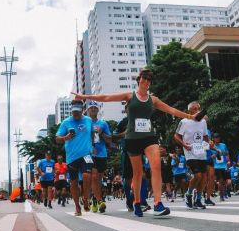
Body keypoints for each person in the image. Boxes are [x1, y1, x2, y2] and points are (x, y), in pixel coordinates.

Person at [72, 69, 199, 217]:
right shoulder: (130, 95)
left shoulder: (154, 99)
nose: (145, 83)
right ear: (138, 80)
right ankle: (137, 202)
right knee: (137, 173)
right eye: (143, 80)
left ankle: (158, 203)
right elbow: (106, 97)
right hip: (132, 138)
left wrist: (190, 117)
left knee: (156, 166)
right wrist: (84, 96)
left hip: (149, 137)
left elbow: (171, 110)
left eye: (148, 81)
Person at [56, 100, 95, 216]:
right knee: (74, 182)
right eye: (73, 112)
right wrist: (65, 138)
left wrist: (91, 145)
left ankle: (86, 198)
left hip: (86, 155)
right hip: (72, 157)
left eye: (77, 112)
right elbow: (57, 138)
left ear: (82, 110)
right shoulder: (66, 122)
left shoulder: (88, 120)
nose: (75, 114)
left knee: (87, 176)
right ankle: (77, 206)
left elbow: (92, 133)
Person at [174, 101, 209, 209]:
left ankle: (198, 199)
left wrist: (209, 142)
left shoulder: (203, 122)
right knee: (197, 175)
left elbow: (205, 136)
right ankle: (188, 194)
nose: (197, 111)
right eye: (194, 109)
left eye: (198, 108)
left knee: (203, 176)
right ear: (189, 110)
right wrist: (184, 145)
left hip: (201, 151)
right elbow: (176, 136)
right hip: (190, 152)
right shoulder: (184, 121)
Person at [86, 100, 111, 213]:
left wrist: (101, 132)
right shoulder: (84, 123)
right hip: (89, 154)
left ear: (98, 110)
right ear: (87, 110)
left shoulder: (103, 123)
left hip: (102, 153)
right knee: (94, 177)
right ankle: (101, 201)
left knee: (98, 179)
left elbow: (109, 140)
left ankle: (95, 200)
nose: (93, 109)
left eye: (95, 108)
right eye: (91, 108)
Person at [213, 133, 230, 202]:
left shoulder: (223, 145)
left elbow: (227, 153)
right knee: (220, 181)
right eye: (215, 137)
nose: (217, 138)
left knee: (225, 181)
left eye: (218, 137)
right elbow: (211, 156)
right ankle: (221, 195)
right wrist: (215, 155)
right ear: (213, 139)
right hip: (216, 166)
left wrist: (228, 161)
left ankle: (223, 192)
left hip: (224, 165)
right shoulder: (212, 146)